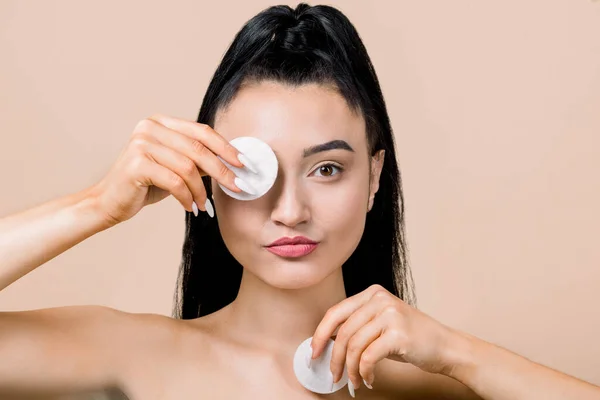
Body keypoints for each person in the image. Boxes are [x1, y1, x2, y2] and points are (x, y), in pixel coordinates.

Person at [0, 3, 598, 400]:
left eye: (328, 169)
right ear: (209, 174)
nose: (290, 211)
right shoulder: (132, 356)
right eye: (255, 171)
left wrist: (454, 352)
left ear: (374, 177)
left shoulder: (431, 378)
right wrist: (97, 205)